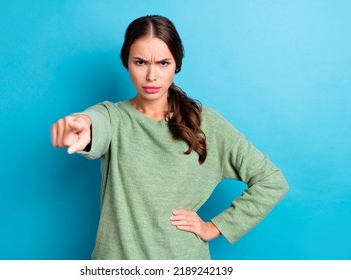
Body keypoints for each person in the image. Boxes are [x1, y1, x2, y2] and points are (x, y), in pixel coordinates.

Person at [50, 15, 289, 260]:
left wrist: (215, 227)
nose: (152, 75)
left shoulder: (206, 123)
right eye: (140, 62)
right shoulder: (113, 117)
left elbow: (272, 181)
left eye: (163, 63)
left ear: (176, 64)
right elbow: (94, 123)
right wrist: (81, 126)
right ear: (127, 63)